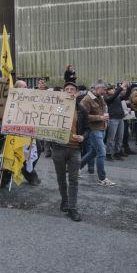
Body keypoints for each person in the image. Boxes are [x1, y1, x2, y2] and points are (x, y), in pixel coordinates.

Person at [51, 82, 88, 221]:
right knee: (61, 178)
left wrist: (83, 136)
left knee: (73, 179)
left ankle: (72, 208)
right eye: (66, 89)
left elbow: (88, 129)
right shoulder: (56, 108)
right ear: (62, 92)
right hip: (58, 147)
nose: (69, 91)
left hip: (74, 149)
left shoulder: (81, 110)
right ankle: (64, 201)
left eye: (72, 89)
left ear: (77, 93)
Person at [80, 80, 116, 186]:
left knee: (93, 152)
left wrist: (105, 116)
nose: (105, 91)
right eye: (103, 89)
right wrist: (100, 117)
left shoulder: (100, 97)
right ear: (95, 88)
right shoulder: (86, 99)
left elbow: (104, 108)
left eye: (105, 90)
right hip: (93, 129)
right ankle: (102, 178)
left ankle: (75, 169)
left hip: (101, 128)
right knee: (101, 152)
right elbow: (84, 116)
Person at [15, 80, 41, 186]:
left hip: (30, 131)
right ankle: (30, 175)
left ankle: (29, 171)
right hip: (19, 133)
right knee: (25, 154)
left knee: (38, 150)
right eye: (23, 87)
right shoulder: (13, 100)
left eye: (26, 87)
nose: (26, 89)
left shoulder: (30, 99)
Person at [105, 83, 129, 161]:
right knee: (111, 138)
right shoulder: (107, 98)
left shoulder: (117, 97)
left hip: (120, 118)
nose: (113, 90)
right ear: (107, 91)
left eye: (113, 89)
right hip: (113, 119)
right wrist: (120, 88)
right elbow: (114, 96)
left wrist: (128, 88)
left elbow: (125, 96)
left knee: (120, 137)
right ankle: (108, 154)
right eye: (111, 89)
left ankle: (117, 152)